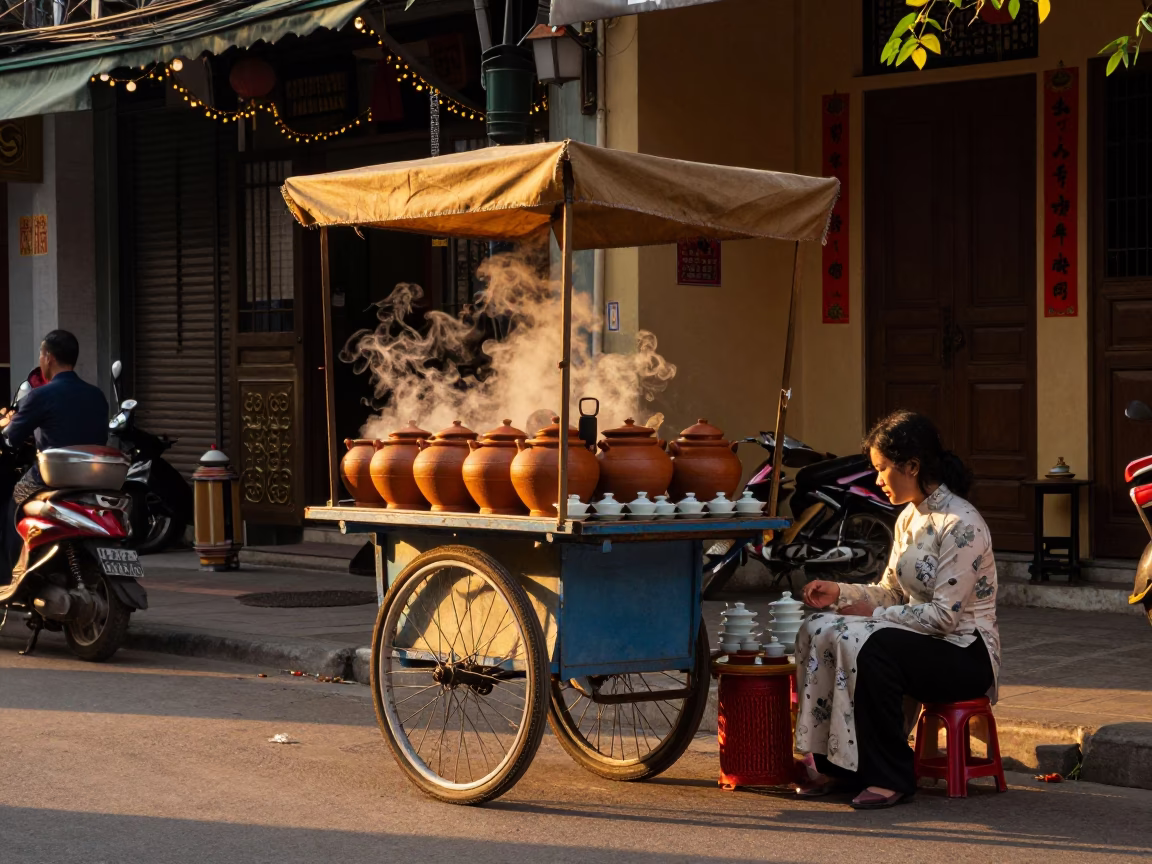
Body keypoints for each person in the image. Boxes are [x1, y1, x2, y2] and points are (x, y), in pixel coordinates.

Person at [793, 410, 1000, 810]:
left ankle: (891, 775)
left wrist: (870, 618)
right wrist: (838, 592)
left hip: (963, 651)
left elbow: (943, 617)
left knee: (872, 648)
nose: (877, 480)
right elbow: (891, 591)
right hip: (920, 640)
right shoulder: (909, 516)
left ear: (912, 465)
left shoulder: (962, 524)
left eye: (882, 469)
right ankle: (837, 765)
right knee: (819, 627)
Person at [0, 330, 109, 576]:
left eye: (41, 354)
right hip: (93, 476)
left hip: (53, 477)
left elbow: (10, 439)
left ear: (48, 357)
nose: (40, 359)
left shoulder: (40, 395)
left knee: (15, 500)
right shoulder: (96, 395)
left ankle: (13, 575)